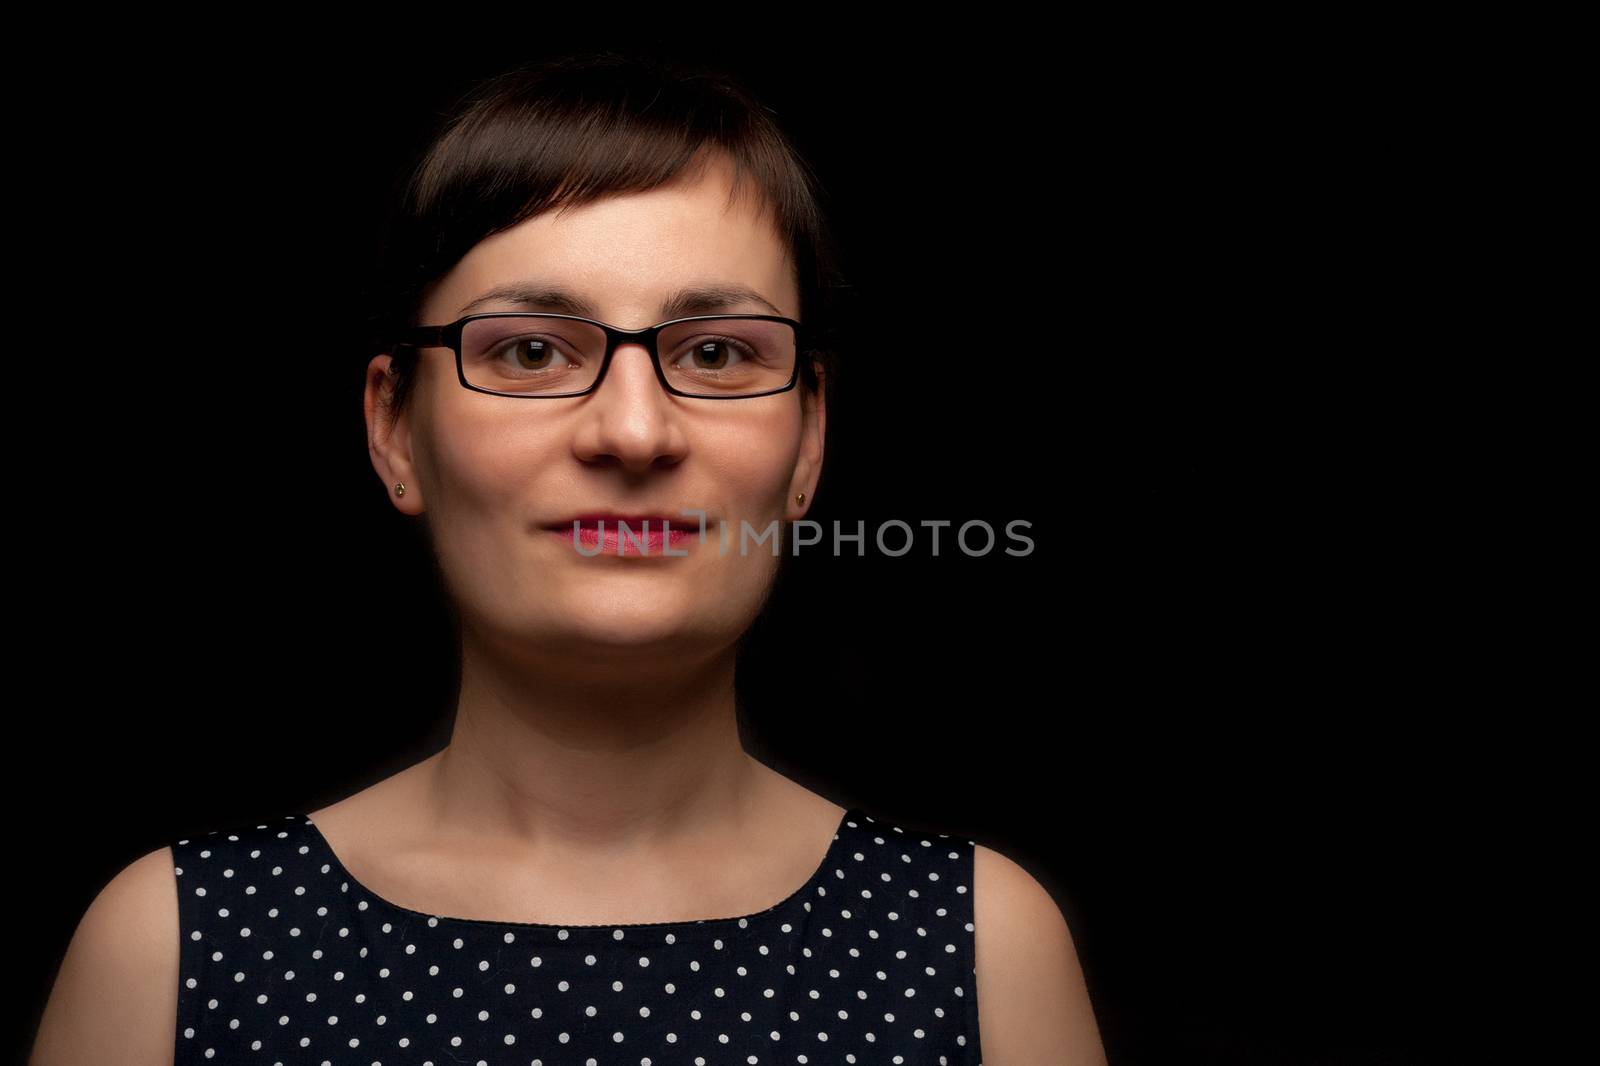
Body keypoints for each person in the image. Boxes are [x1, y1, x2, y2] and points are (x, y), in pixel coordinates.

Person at [28, 51, 1105, 1065]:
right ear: (395, 429)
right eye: (532, 350)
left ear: (809, 438)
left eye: (718, 353)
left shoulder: (979, 946)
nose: (633, 434)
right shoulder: (171, 949)